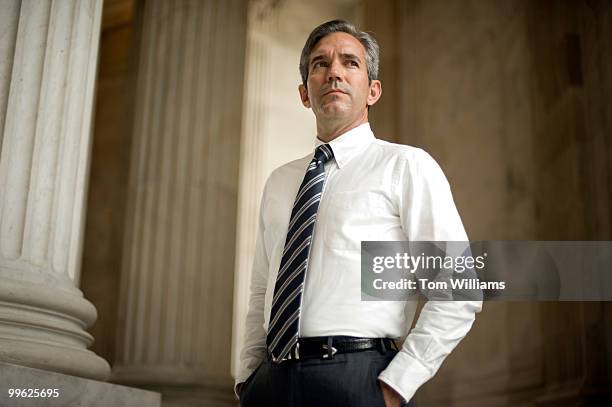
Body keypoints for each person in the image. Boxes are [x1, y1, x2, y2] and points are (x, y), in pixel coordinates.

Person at [235, 19, 482, 407]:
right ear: (304, 93)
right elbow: (261, 291)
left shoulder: (406, 166)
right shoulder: (279, 182)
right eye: (320, 64)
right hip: (271, 382)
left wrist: (395, 386)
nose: (333, 71)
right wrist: (248, 379)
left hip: (359, 378)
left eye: (350, 63)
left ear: (373, 90)